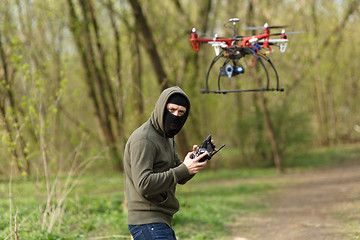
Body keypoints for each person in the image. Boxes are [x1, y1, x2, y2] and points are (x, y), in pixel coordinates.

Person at [124, 86, 208, 240]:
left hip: (160, 220)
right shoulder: (144, 139)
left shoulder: (167, 137)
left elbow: (180, 175)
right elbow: (144, 184)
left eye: (181, 112)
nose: (176, 116)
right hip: (147, 221)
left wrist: (193, 162)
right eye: (172, 109)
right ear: (161, 107)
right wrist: (183, 169)